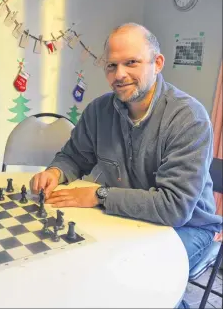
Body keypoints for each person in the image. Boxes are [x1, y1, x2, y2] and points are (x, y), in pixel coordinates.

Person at [31, 23, 222, 275]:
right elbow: (74, 156)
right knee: (80, 263)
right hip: (128, 217)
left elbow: (173, 208)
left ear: (158, 63)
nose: (119, 74)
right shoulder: (98, 111)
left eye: (131, 62)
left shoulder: (188, 117)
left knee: (135, 277)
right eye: (111, 65)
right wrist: (55, 172)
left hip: (187, 228)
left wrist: (99, 196)